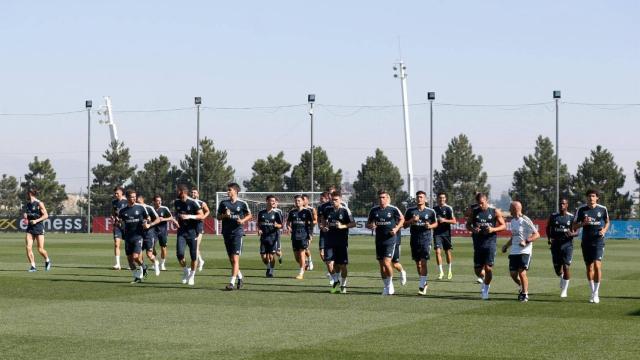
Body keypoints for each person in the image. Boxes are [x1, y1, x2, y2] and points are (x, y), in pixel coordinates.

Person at [572, 189, 610, 304]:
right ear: (586, 198)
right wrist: (583, 223)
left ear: (597, 198)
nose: (591, 198)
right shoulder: (581, 209)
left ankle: (596, 293)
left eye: (593, 196)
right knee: (589, 268)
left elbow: (607, 221)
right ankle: (592, 291)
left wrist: (604, 230)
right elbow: (574, 226)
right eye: (589, 196)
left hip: (598, 241)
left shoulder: (602, 209)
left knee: (598, 266)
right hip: (586, 242)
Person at [469, 192, 506, 300]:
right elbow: (468, 225)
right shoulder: (474, 212)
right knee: (477, 270)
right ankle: (483, 278)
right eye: (478, 203)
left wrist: (493, 229)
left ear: (486, 201)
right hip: (478, 243)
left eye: (482, 203)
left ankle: (486, 288)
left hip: (490, 242)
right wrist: (473, 229)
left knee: (488, 268)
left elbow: (503, 226)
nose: (480, 205)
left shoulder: (494, 212)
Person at [367, 190, 404, 295]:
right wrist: (371, 226)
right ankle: (386, 286)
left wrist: (396, 229)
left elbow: (402, 219)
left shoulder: (393, 209)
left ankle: (390, 284)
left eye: (383, 197)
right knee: (381, 265)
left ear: (387, 198)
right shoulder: (374, 210)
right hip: (379, 240)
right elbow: (368, 224)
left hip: (390, 240)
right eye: (380, 197)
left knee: (387, 262)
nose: (381, 199)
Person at [501, 201, 540, 302]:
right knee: (513, 274)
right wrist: (506, 245)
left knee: (522, 273)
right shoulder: (513, 221)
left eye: (510, 208)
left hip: (525, 251)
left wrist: (526, 241)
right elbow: (514, 236)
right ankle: (521, 286)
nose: (509, 210)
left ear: (516, 209)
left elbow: (537, 235)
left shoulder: (525, 220)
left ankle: (525, 294)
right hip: (514, 251)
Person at [217, 183, 252, 290]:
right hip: (226, 233)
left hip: (238, 233)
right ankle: (240, 277)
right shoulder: (223, 203)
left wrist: (242, 220)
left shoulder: (242, 203)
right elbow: (218, 217)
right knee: (231, 259)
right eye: (227, 190)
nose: (227, 192)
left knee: (235, 259)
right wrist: (225, 215)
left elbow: (249, 215)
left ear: (235, 191)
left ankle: (231, 282)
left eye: (229, 190)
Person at [320, 190, 356, 293]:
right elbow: (322, 219)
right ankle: (336, 281)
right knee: (329, 262)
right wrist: (323, 227)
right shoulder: (327, 209)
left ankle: (343, 284)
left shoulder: (345, 210)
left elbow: (353, 224)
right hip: (329, 240)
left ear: (340, 199)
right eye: (332, 200)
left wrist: (342, 226)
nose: (333, 202)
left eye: (335, 200)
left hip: (341, 242)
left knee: (342, 265)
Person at [403, 191, 438, 295]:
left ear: (425, 199)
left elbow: (435, 223)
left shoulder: (431, 211)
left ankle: (421, 286)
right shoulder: (410, 211)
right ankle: (424, 282)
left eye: (421, 197)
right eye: (418, 197)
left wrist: (430, 226)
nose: (419, 199)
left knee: (423, 262)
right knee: (418, 264)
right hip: (414, 239)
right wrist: (411, 221)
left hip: (426, 239)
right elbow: (404, 225)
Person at [118, 189, 151, 283]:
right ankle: (137, 276)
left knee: (136, 257)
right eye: (132, 197)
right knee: (130, 260)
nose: (134, 198)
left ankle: (143, 267)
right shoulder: (123, 211)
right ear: (127, 198)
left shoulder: (140, 208)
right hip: (128, 237)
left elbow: (148, 218)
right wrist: (119, 223)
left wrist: (146, 222)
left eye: (134, 197)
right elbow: (120, 221)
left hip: (138, 236)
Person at [174, 185, 205, 286]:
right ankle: (185, 270)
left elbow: (201, 215)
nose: (176, 192)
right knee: (179, 254)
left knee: (193, 257)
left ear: (183, 192)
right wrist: (176, 220)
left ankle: (192, 276)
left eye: (177, 190)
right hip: (181, 232)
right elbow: (177, 214)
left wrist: (189, 216)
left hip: (192, 232)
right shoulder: (176, 202)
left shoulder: (193, 202)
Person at [546, 198, 577, 298]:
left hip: (567, 245)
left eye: (563, 204)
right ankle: (561, 277)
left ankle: (564, 290)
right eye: (560, 204)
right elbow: (548, 228)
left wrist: (572, 233)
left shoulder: (571, 217)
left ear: (567, 205)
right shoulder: (553, 216)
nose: (561, 205)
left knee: (566, 267)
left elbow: (577, 232)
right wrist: (549, 238)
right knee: (558, 271)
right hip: (555, 245)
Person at [23, 188, 51, 272]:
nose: (26, 195)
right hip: (30, 229)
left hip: (38, 228)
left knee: (40, 249)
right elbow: (28, 216)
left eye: (27, 193)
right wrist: (26, 217)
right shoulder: (28, 204)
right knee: (28, 247)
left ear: (30, 193)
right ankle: (33, 266)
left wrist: (36, 221)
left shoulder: (39, 203)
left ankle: (47, 260)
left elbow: (46, 216)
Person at [287, 195, 314, 280]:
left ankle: (301, 273)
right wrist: (288, 227)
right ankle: (304, 265)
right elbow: (288, 222)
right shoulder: (292, 212)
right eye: (296, 201)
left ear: (303, 202)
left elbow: (311, 224)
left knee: (302, 253)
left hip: (303, 235)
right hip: (294, 235)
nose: (297, 202)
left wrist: (310, 234)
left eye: (299, 201)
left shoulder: (307, 212)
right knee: (296, 257)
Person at [257, 195, 283, 277]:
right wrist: (259, 229)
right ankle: (268, 267)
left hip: (273, 237)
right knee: (263, 256)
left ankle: (271, 270)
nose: (273, 202)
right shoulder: (261, 213)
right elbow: (259, 223)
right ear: (267, 201)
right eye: (271, 201)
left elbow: (281, 225)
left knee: (271, 256)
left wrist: (277, 225)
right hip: (263, 237)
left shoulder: (276, 213)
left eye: (274, 201)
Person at [432, 192, 457, 280]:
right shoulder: (433, 209)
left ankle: (449, 270)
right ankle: (441, 272)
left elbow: (454, 221)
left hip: (446, 234)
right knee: (437, 252)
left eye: (443, 198)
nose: (441, 199)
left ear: (445, 199)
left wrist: (444, 220)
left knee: (447, 252)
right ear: (437, 199)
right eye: (440, 198)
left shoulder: (448, 208)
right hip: (437, 233)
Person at [137, 195, 162, 277]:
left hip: (149, 234)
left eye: (138, 200)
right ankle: (142, 270)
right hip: (139, 234)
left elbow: (158, 219)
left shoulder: (149, 208)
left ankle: (156, 262)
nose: (137, 202)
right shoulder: (135, 208)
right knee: (138, 253)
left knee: (149, 254)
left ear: (142, 200)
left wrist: (149, 224)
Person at [152, 195, 177, 271]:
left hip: (163, 231)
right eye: (157, 200)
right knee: (151, 247)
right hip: (153, 231)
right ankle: (155, 262)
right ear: (154, 202)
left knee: (163, 248)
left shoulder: (164, 209)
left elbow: (171, 218)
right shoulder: (151, 209)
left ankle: (162, 264)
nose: (159, 202)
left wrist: (163, 219)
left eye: (160, 200)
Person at [191, 189, 211, 272]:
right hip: (191, 226)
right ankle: (201, 261)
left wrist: (203, 217)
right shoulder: (189, 202)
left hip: (199, 225)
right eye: (192, 192)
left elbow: (208, 211)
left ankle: (196, 264)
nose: (193, 193)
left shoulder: (201, 203)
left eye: (195, 192)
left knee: (196, 246)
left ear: (198, 194)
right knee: (194, 246)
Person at [111, 186, 128, 270]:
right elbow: (113, 213)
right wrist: (113, 217)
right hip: (117, 225)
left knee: (129, 245)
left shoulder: (127, 201)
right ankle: (117, 264)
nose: (116, 194)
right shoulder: (114, 202)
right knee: (116, 244)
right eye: (115, 193)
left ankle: (130, 263)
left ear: (122, 192)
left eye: (117, 193)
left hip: (127, 225)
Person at [301, 193, 315, 271]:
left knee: (305, 247)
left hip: (308, 231)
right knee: (301, 249)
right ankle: (305, 262)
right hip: (299, 232)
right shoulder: (298, 209)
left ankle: (309, 261)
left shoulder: (311, 209)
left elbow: (315, 220)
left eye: (304, 199)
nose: (302, 201)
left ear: (307, 200)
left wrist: (311, 222)